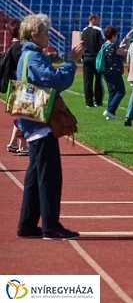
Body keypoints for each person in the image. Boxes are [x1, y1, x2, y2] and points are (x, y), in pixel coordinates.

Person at [15, 14, 83, 240]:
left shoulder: (28, 55)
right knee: (49, 178)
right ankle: (50, 226)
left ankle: (27, 224)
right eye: (46, 33)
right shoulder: (34, 57)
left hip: (33, 122)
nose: (48, 37)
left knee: (35, 177)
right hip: (40, 123)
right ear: (34, 35)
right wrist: (70, 62)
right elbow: (56, 81)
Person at [3, 18, 27, 155]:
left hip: (14, 86)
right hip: (20, 86)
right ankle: (22, 146)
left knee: (20, 116)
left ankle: (12, 144)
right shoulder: (19, 47)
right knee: (24, 116)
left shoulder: (12, 45)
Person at [100, 26, 132, 120]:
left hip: (106, 72)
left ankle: (111, 113)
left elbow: (117, 51)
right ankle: (110, 111)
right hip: (114, 72)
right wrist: (127, 44)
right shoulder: (113, 46)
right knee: (121, 91)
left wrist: (123, 43)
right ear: (113, 36)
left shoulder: (105, 45)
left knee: (112, 92)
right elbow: (126, 53)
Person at [81, 13, 104, 108]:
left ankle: (89, 102)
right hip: (96, 58)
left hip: (86, 58)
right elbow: (102, 45)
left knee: (87, 81)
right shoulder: (98, 30)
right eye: (98, 19)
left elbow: (82, 44)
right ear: (93, 19)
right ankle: (98, 101)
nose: (99, 21)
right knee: (98, 80)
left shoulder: (84, 31)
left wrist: (82, 56)